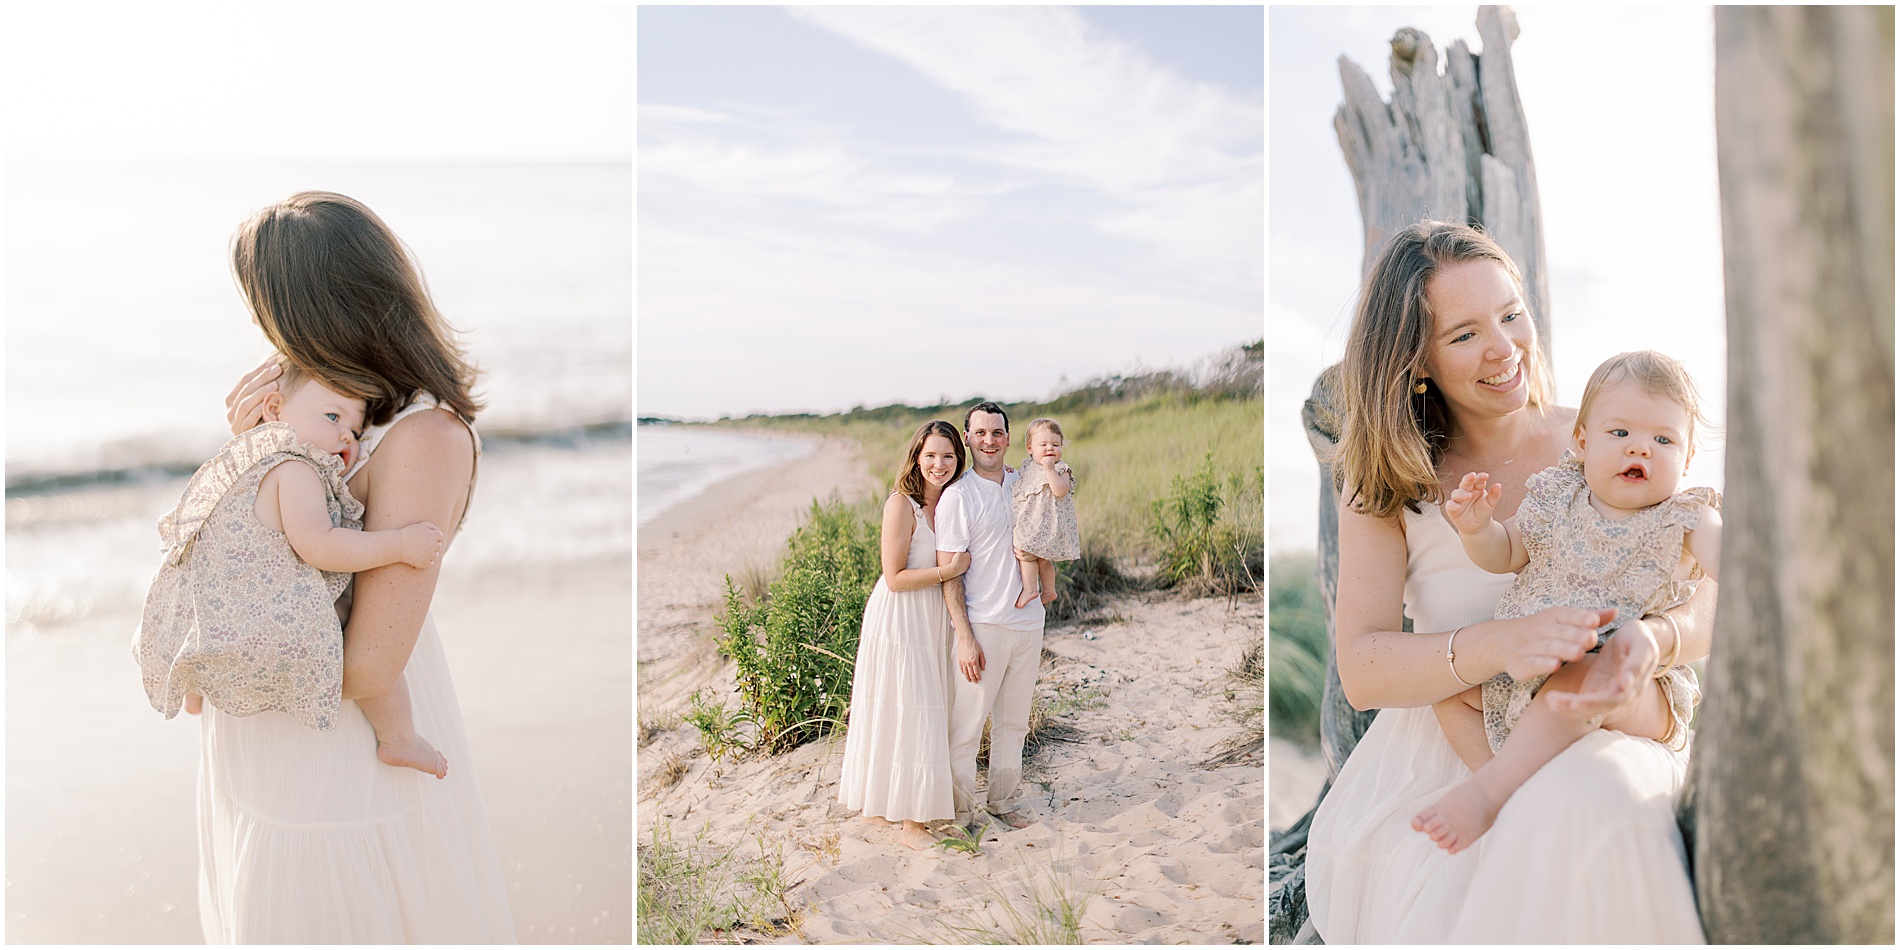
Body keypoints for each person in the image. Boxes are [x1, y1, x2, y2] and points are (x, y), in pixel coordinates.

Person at [1305, 221, 1712, 943]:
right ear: (1415, 360)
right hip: (1447, 757)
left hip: (1616, 723)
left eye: (1510, 314)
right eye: (1463, 334)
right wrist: (1505, 642)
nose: (1503, 347)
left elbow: (1705, 576)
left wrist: (1653, 640)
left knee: (1595, 795)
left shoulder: (1609, 439)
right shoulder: (1388, 479)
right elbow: (1363, 670)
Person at [196, 191, 514, 942]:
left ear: (315, 310)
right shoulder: (317, 401)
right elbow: (237, 542)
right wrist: (247, 450)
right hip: (275, 721)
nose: (257, 328)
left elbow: (370, 667)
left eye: (265, 307)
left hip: (338, 750)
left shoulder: (424, 436)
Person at [1413, 350, 1722, 854]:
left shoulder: (1687, 516)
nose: (1639, 450)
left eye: (1663, 440)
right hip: (1536, 671)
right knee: (1447, 690)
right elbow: (1508, 551)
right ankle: (1507, 781)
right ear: (1581, 441)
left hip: (1635, 682)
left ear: (1687, 459)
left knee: (1584, 676)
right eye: (1620, 434)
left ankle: (1489, 797)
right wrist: (1477, 529)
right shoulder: (1558, 498)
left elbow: (1734, 566)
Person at [136, 366, 450, 778]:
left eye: (355, 433)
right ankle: (399, 738)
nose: (345, 438)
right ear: (274, 409)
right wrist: (399, 544)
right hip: (272, 618)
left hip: (224, 606)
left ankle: (194, 687)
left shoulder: (244, 465)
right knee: (356, 634)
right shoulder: (295, 470)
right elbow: (320, 546)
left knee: (202, 629)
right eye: (333, 417)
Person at [837, 421, 972, 850]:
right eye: (930, 455)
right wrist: (947, 571)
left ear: (958, 460)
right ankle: (913, 822)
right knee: (912, 707)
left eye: (948, 456)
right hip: (900, 616)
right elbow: (893, 577)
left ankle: (890, 805)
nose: (939, 464)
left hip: (933, 616)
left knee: (925, 705)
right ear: (917, 457)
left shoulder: (952, 503)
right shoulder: (902, 504)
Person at [936, 402, 1046, 830]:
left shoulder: (1024, 484)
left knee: (1014, 722)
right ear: (967, 438)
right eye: (980, 433)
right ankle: (961, 813)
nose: (989, 441)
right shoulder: (958, 497)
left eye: (997, 432)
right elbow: (950, 574)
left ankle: (1003, 802)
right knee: (966, 726)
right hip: (983, 626)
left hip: (1028, 623)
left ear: (1007, 437)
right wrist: (964, 635)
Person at [1010, 417, 1078, 609]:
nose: (1050, 449)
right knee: (1037, 557)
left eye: (1056, 444)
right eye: (1044, 444)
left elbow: (1060, 490)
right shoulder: (1027, 467)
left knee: (1026, 552)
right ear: (1030, 448)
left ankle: (1033, 589)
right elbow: (1018, 480)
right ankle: (1047, 591)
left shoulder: (1060, 468)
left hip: (1048, 523)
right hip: (1032, 521)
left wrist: (1050, 470)